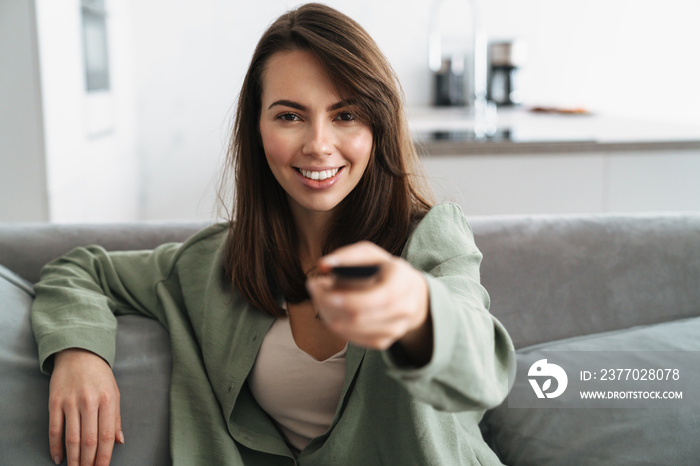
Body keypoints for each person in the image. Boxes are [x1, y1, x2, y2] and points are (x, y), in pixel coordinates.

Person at [31, 3, 513, 465]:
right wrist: (79, 353)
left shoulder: (432, 240)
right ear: (256, 129)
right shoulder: (213, 265)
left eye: (345, 115)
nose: (319, 145)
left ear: (378, 127)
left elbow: (481, 372)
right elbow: (79, 270)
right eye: (289, 116)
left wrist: (417, 310)